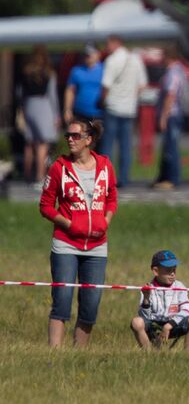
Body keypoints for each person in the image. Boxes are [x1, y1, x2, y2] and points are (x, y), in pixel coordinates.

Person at [39, 117, 118, 348]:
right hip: (65, 244)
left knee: (90, 304)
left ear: (89, 140)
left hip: (97, 247)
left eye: (76, 136)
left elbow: (112, 197)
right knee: (62, 300)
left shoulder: (105, 165)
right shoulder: (58, 168)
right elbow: (45, 206)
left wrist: (106, 221)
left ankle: (79, 354)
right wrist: (69, 225)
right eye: (68, 136)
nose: (70, 140)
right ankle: (54, 353)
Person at [100, 34, 147, 188]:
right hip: (129, 108)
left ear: (116, 43)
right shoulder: (136, 59)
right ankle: (124, 178)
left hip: (113, 106)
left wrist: (102, 101)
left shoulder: (111, 61)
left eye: (108, 43)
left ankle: (107, 179)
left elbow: (106, 86)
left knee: (108, 145)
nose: (107, 46)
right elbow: (142, 85)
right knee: (125, 146)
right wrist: (131, 97)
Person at [132, 249, 189, 351]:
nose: (172, 274)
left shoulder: (180, 286)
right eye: (168, 270)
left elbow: (186, 310)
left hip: (174, 324)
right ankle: (149, 355)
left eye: (174, 270)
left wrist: (169, 325)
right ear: (156, 271)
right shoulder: (148, 288)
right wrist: (146, 298)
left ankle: (188, 353)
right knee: (136, 322)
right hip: (154, 324)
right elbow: (145, 317)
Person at [17, 47, 60, 184]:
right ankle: (40, 176)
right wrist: (56, 115)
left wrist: (22, 109)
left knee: (29, 143)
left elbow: (19, 93)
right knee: (42, 143)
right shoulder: (48, 73)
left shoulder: (25, 73)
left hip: (29, 105)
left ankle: (27, 174)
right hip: (43, 105)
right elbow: (52, 96)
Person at [153, 49, 189, 190]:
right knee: (168, 147)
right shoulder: (181, 71)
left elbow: (170, 95)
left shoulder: (172, 73)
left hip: (172, 115)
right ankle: (164, 176)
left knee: (171, 148)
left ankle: (173, 178)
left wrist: (163, 116)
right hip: (176, 113)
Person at [64, 44, 105, 128]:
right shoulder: (76, 70)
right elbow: (70, 90)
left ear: (98, 54)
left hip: (99, 114)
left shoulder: (105, 70)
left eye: (91, 53)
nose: (89, 56)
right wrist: (67, 110)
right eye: (86, 54)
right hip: (80, 113)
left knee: (98, 139)